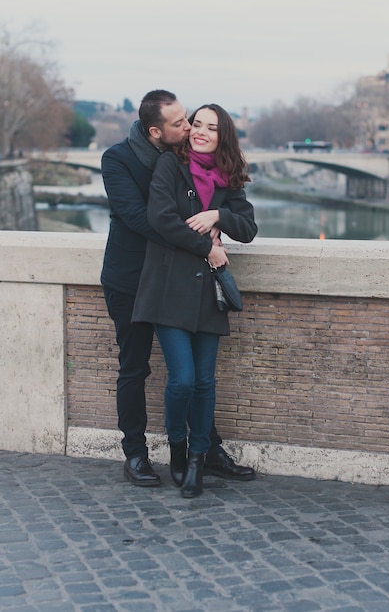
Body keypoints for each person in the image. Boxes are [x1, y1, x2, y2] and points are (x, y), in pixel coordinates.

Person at [101, 90, 256, 487]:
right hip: (133, 277)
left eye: (192, 120)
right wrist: (206, 242)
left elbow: (237, 213)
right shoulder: (119, 159)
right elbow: (143, 218)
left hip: (182, 278)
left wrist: (217, 217)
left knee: (197, 376)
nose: (189, 127)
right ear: (156, 131)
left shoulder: (186, 158)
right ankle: (135, 454)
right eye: (181, 123)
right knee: (135, 367)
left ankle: (207, 450)